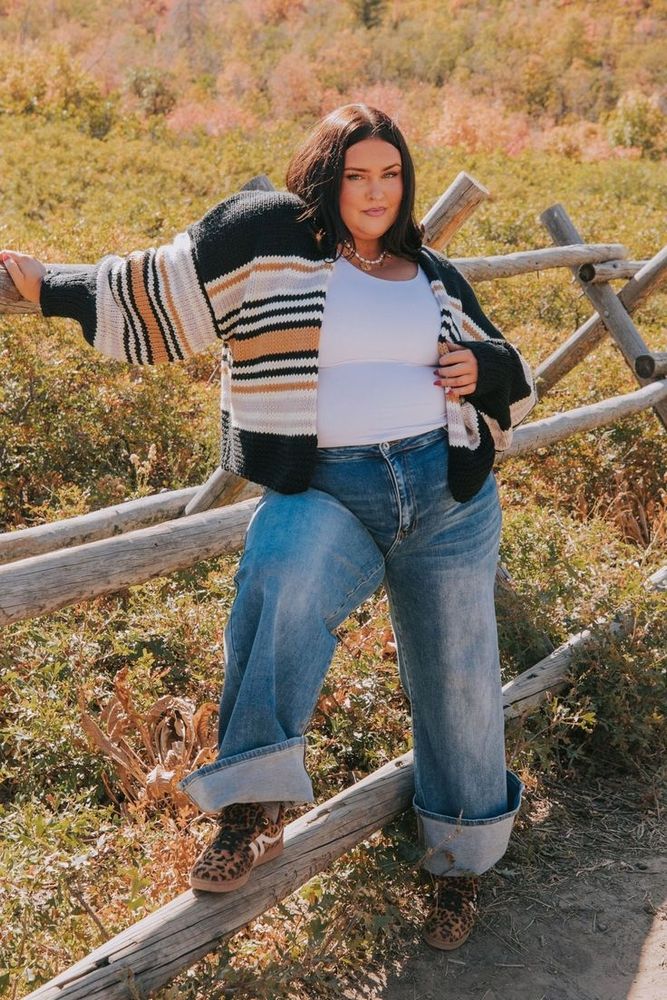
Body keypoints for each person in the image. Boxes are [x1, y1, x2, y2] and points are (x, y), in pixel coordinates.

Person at [2, 103, 536, 951]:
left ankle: (456, 864)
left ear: (406, 184)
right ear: (328, 177)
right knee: (278, 576)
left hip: (443, 497)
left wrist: (487, 368)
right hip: (330, 485)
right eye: (356, 174)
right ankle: (253, 808)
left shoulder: (430, 270)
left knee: (460, 679)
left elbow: (511, 371)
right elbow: (163, 282)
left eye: (389, 174)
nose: (374, 191)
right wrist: (52, 285)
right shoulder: (272, 241)